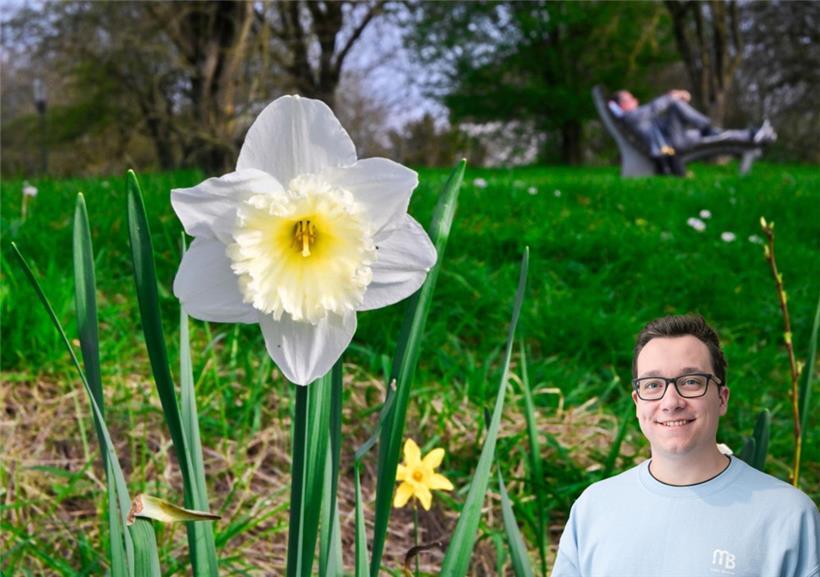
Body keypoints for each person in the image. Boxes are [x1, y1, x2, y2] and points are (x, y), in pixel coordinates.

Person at [551, 314, 819, 577]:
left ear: (722, 398)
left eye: (691, 382)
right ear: (637, 403)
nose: (671, 402)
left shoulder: (787, 516)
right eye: (653, 384)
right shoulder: (594, 508)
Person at [609, 89, 776, 175]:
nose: (636, 100)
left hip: (674, 139)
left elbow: (656, 116)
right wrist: (671, 96)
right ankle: (708, 127)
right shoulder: (629, 117)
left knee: (716, 134)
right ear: (622, 105)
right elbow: (654, 107)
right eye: (631, 99)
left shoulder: (634, 117)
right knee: (674, 104)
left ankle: (752, 135)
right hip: (673, 144)